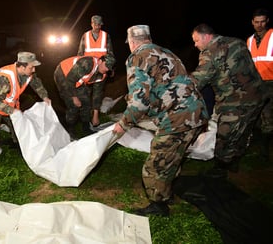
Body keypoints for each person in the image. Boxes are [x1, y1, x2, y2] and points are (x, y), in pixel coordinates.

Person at [113, 25, 209, 217]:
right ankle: (167, 191)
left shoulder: (136, 58)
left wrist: (122, 124)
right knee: (173, 156)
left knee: (155, 164)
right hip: (197, 112)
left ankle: (159, 205)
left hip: (178, 117)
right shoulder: (165, 52)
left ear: (132, 42)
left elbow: (140, 102)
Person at [191, 23, 265, 178]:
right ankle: (235, 160)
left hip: (235, 101)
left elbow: (198, 80)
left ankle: (221, 168)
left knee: (224, 135)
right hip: (258, 95)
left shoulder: (209, 52)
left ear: (206, 36)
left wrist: (177, 86)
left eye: (197, 40)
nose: (195, 44)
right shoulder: (237, 42)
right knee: (243, 130)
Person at [0, 51, 51, 167]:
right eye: (31, 67)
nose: (34, 70)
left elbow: (37, 84)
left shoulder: (28, 74)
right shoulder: (4, 77)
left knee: (17, 125)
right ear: (22, 67)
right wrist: (11, 110)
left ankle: (17, 144)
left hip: (11, 102)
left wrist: (44, 97)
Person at [54, 54, 116, 140]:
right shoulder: (87, 63)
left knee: (86, 101)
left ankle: (86, 127)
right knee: (73, 104)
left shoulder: (102, 75)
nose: (106, 69)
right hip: (63, 73)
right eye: (106, 66)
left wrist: (95, 115)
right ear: (100, 61)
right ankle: (70, 129)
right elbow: (70, 80)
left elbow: (97, 95)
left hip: (77, 79)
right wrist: (74, 97)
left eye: (109, 68)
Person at [77, 15, 115, 127]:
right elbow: (80, 54)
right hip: (87, 70)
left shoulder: (105, 36)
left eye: (99, 24)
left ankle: (95, 116)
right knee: (85, 93)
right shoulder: (85, 36)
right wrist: (80, 69)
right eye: (95, 24)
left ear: (101, 24)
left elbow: (110, 54)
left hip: (100, 69)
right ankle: (85, 117)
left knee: (97, 93)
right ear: (91, 24)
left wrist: (108, 66)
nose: (97, 26)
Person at [246, 8, 273, 160]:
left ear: (267, 21)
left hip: (271, 82)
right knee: (254, 115)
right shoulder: (249, 40)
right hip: (255, 84)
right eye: (257, 22)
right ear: (252, 22)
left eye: (262, 21)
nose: (259, 25)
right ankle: (257, 145)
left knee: (268, 116)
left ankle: (264, 151)